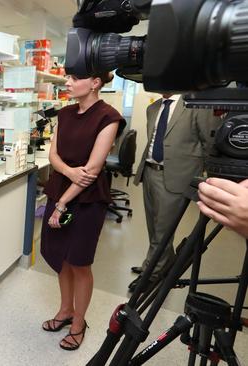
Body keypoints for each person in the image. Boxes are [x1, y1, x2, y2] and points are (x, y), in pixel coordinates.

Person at [40, 72, 124, 351]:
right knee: (61, 257)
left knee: (79, 261)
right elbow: (53, 155)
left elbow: (93, 170)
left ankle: (79, 322)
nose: (67, 83)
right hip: (60, 187)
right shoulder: (64, 114)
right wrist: (67, 171)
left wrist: (63, 203)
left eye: (74, 78)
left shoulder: (108, 117)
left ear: (95, 82)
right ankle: (65, 311)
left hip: (87, 199)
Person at [129, 94, 218, 292]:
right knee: (154, 225)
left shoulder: (196, 105)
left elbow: (209, 144)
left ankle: (150, 274)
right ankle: (159, 263)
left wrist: (206, 178)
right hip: (150, 172)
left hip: (177, 176)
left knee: (163, 230)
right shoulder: (153, 109)